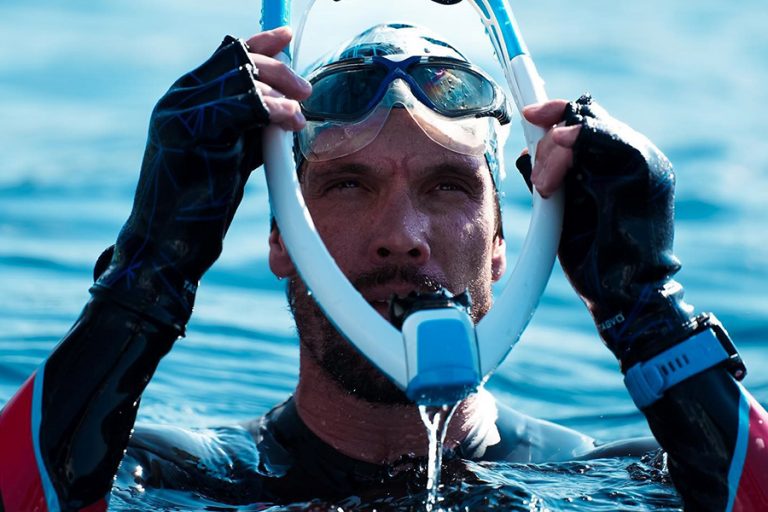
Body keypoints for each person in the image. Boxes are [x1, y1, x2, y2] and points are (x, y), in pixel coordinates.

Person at [0, 22, 766, 512]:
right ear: (280, 238)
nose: (402, 237)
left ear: (504, 247)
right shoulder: (166, 476)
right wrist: (147, 272)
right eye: (347, 184)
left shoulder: (641, 480)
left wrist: (651, 313)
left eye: (446, 186)